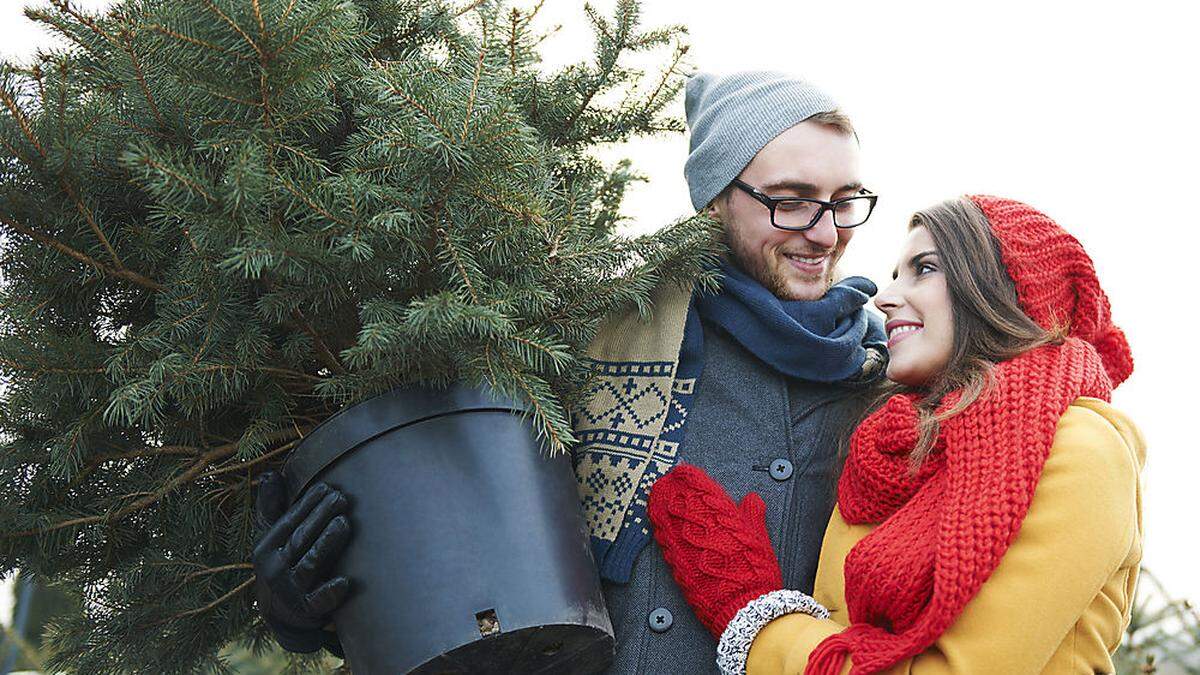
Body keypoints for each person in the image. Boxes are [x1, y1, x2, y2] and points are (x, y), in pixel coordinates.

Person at [251, 70, 890, 672]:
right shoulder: (583, 343)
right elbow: (456, 562)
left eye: (845, 201)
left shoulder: (888, 381)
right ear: (717, 198)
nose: (827, 234)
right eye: (792, 202)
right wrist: (308, 612)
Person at [647, 195, 1143, 674]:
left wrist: (755, 616)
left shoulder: (1079, 446)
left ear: (998, 290)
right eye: (894, 274)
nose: (884, 298)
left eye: (924, 268)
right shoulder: (894, 445)